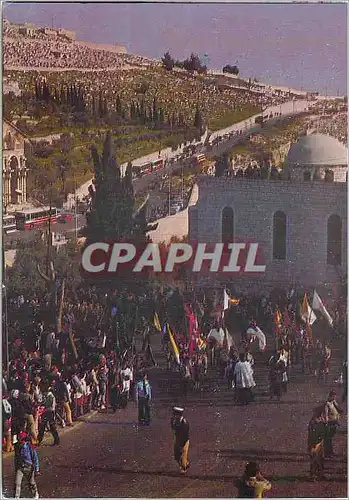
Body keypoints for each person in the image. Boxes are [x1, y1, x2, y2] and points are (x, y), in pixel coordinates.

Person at [13, 431, 40, 499]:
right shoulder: (17, 447)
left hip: (29, 468)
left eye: (20, 440)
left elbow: (35, 459)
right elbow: (16, 458)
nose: (19, 442)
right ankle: (17, 497)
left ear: (24, 440)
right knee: (17, 483)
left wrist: (36, 469)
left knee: (31, 482)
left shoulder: (30, 447)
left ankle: (35, 493)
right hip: (20, 468)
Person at [307, 408, 326, 481]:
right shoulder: (313, 423)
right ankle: (313, 476)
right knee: (314, 461)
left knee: (321, 460)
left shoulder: (320, 422)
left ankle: (320, 474)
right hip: (314, 444)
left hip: (320, 443)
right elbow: (312, 435)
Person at [323, 390, 343, 457]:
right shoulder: (327, 404)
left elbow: (339, 410)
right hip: (329, 423)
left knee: (330, 438)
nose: (334, 398)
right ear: (330, 396)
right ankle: (327, 453)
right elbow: (325, 415)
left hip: (334, 423)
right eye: (333, 396)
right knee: (327, 439)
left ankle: (330, 452)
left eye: (335, 396)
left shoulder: (333, 402)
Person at [171, 407, 190, 474]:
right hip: (178, 440)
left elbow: (185, 434)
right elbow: (174, 428)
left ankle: (183, 468)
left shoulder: (184, 423)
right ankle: (186, 464)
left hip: (184, 440)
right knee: (176, 455)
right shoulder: (176, 421)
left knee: (183, 454)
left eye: (175, 414)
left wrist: (182, 444)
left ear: (179, 415)